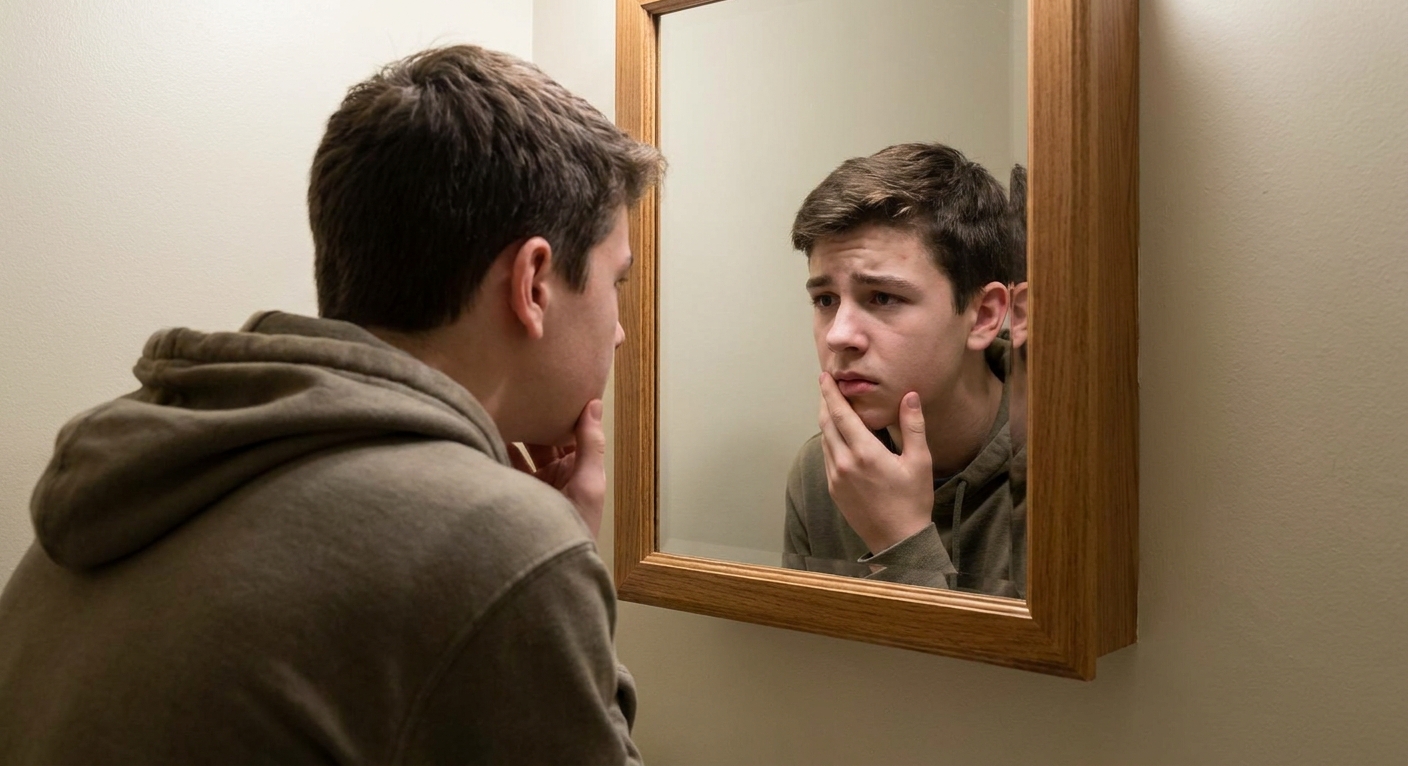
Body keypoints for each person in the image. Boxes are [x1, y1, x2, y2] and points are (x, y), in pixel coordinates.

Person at [0, 45, 661, 764]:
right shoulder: (497, 541)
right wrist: (548, 554)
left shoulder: (132, 478)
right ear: (533, 284)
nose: (620, 330)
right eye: (617, 282)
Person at [781, 142, 1025, 597]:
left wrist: (900, 541)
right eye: (825, 300)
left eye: (883, 297)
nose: (838, 335)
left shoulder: (1062, 470)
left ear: (985, 315)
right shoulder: (825, 471)